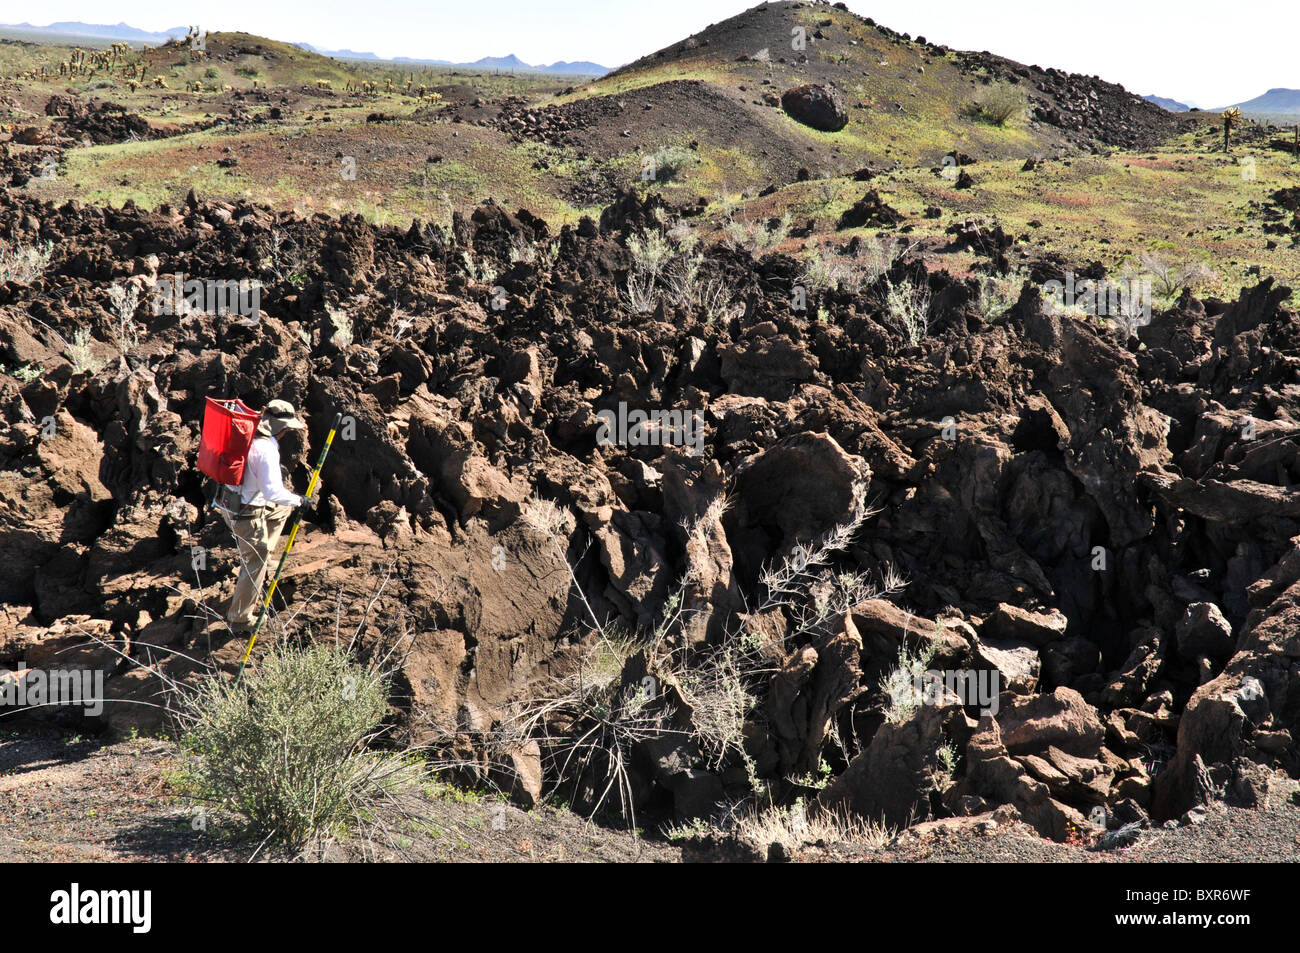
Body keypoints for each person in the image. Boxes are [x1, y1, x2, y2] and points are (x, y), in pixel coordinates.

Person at [222, 400, 319, 634]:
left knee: (281, 509)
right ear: (280, 428)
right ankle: (239, 618)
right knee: (254, 561)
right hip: (246, 514)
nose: (287, 432)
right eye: (286, 428)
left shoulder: (246, 433)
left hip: (228, 503)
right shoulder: (265, 449)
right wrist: (300, 501)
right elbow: (272, 492)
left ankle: (264, 556)